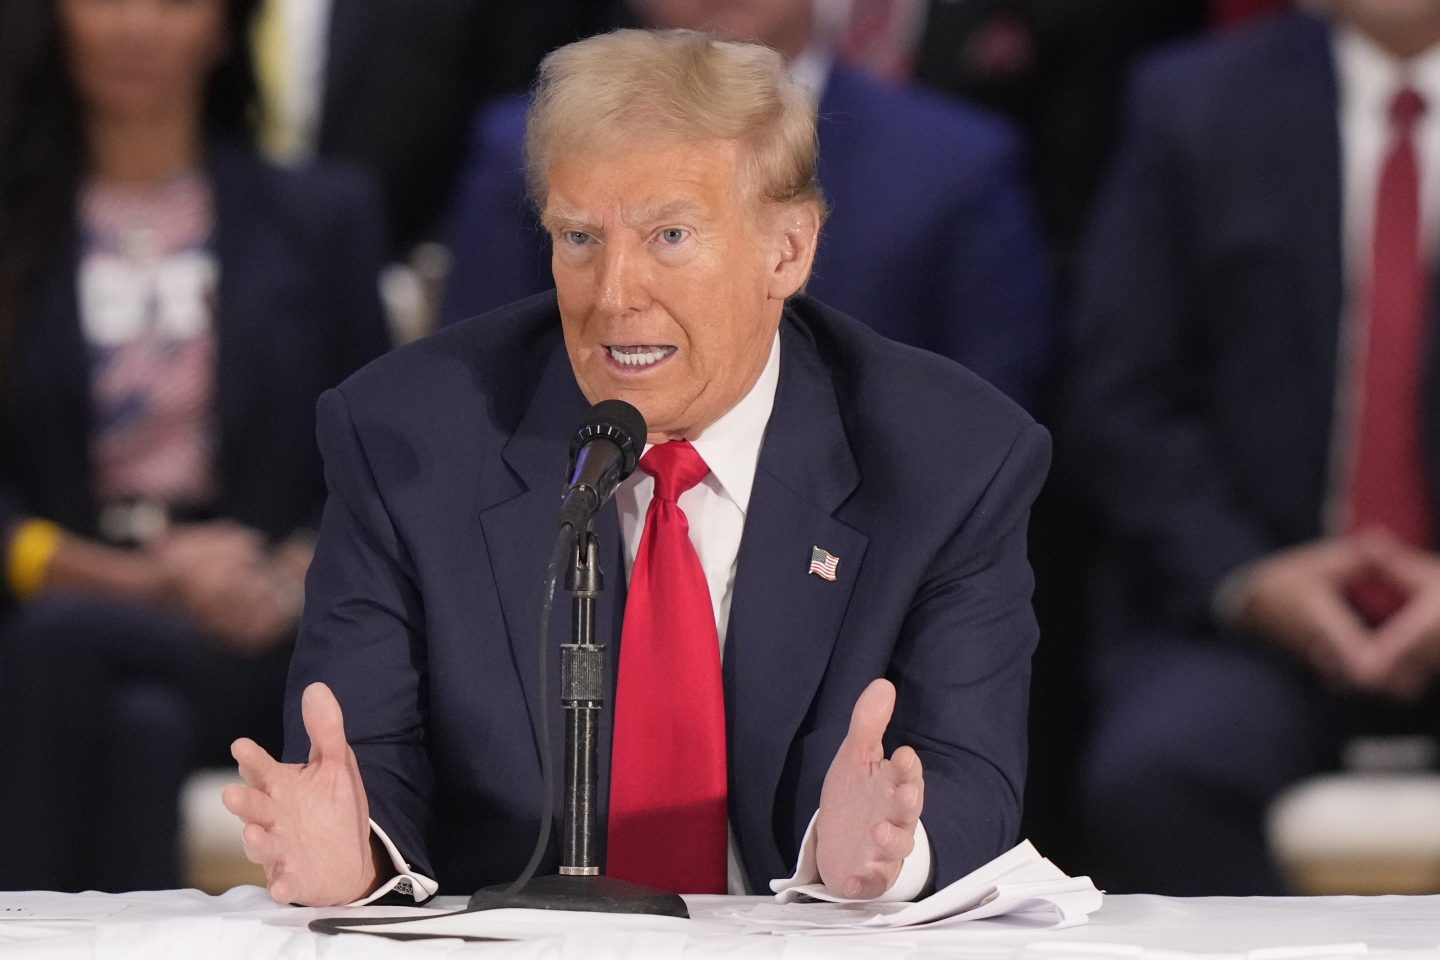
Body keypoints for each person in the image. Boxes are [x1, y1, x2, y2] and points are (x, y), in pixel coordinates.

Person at [223, 28, 1050, 907]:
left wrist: (888, 850)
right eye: (579, 236)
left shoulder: (947, 459)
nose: (614, 294)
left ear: (789, 250)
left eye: (670, 235)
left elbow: (967, 772)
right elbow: (365, 758)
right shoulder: (409, 439)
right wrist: (360, 857)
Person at [0, 0, 389, 891]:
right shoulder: (15, 219)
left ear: (224, 25)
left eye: (174, 1)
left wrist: (283, 575)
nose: (136, 27)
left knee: (79, 676)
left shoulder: (322, 214)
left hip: (257, 620)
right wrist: (139, 580)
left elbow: (375, 457)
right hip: (55, 602)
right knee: (126, 713)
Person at [1069, 0, 1440, 895]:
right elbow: (1122, 394)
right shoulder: (1195, 104)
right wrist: (1250, 580)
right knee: (1156, 775)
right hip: (1247, 616)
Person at [440, 0, 1055, 412]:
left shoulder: (954, 162)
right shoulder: (523, 148)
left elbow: (990, 401)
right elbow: (482, 379)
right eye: (581, 238)